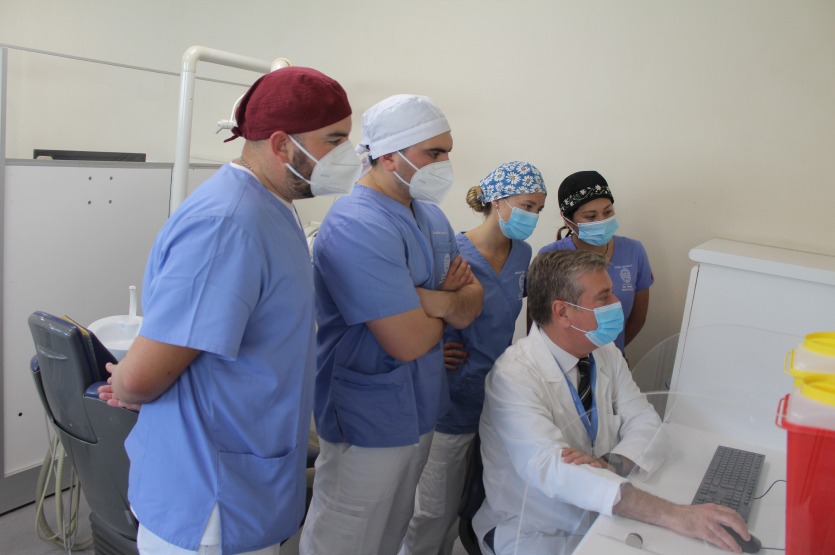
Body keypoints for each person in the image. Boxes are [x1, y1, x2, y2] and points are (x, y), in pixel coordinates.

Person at [99, 67, 360, 554]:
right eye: (335, 140)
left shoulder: (271, 205)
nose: (349, 154)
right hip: (209, 499)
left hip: (245, 475)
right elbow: (142, 378)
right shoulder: (228, 225)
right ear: (281, 144)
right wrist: (130, 384)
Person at [472, 250, 753, 554]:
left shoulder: (604, 353)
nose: (617, 303)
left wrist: (610, 463)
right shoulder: (513, 375)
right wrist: (675, 515)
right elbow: (554, 469)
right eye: (603, 297)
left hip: (600, 515)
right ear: (563, 312)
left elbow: (646, 423)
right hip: (535, 531)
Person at [300, 94, 484, 555]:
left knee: (390, 533)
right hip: (368, 415)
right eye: (433, 153)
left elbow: (472, 302)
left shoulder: (431, 215)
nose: (444, 164)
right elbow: (408, 341)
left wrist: (424, 301)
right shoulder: (356, 223)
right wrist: (445, 304)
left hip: (420, 408)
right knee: (345, 538)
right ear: (387, 156)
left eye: (447, 152)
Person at [399, 161, 548, 554]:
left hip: (496, 393)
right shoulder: (452, 252)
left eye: (539, 209)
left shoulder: (522, 254)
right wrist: (432, 349)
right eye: (527, 206)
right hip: (451, 394)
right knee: (433, 506)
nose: (533, 216)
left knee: (471, 499)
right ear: (497, 201)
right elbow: (411, 307)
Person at [538, 171, 652, 355]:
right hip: (562, 363)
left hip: (614, 360)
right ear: (568, 221)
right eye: (590, 216)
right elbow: (539, 323)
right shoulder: (550, 256)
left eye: (607, 212)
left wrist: (608, 356)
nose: (602, 221)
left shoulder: (634, 251)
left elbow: (638, 318)